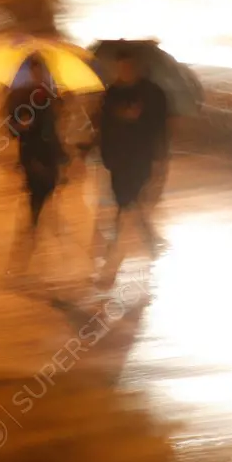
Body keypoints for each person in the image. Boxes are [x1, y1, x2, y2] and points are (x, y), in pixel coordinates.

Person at [95, 50, 170, 286]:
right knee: (128, 204)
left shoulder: (151, 94)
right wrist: (105, 156)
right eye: (121, 67)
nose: (125, 72)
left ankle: (112, 264)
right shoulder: (112, 94)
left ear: (136, 67)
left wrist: (160, 159)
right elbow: (104, 127)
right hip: (118, 160)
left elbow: (159, 127)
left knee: (128, 205)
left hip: (140, 158)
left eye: (129, 67)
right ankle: (150, 242)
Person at [5, 59, 67, 278]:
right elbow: (11, 128)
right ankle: (24, 258)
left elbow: (56, 131)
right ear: (31, 73)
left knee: (41, 208)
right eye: (35, 71)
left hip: (49, 160)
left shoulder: (52, 97)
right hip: (33, 161)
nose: (39, 75)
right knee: (35, 209)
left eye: (42, 71)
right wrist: (19, 126)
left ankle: (28, 256)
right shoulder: (22, 97)